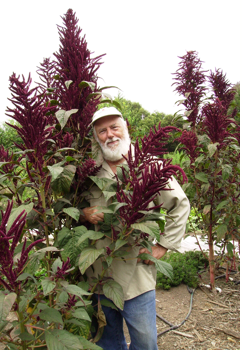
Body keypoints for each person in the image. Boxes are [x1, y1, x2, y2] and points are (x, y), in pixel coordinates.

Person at [82, 107, 190, 350]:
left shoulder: (150, 166)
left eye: (114, 127)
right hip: (99, 275)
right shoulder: (90, 172)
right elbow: (75, 208)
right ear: (96, 137)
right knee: (106, 342)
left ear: (125, 129)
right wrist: (83, 213)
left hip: (136, 275)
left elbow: (180, 205)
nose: (110, 135)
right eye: (102, 131)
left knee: (145, 343)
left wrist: (162, 245)